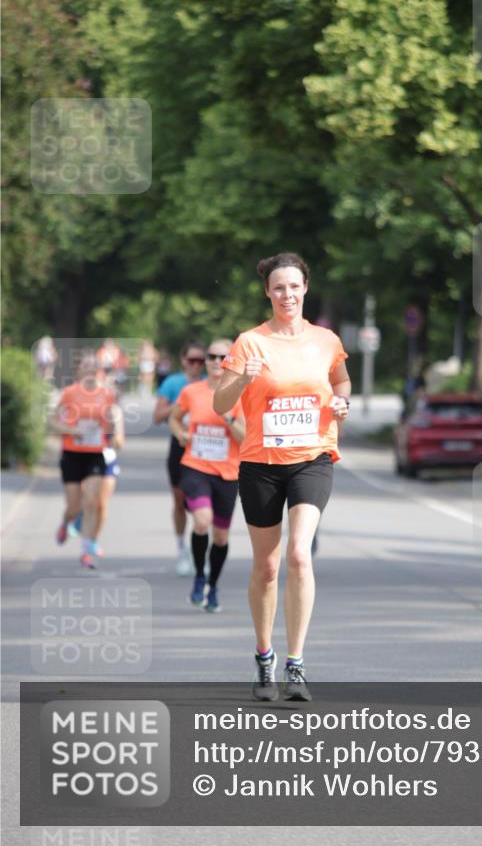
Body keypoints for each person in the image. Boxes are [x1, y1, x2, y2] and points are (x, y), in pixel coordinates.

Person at [214, 252, 351, 702]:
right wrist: (242, 379)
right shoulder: (250, 343)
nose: (286, 294)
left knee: (298, 553)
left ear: (305, 288)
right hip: (260, 464)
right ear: (267, 292)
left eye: (293, 286)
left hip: (312, 457)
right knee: (267, 567)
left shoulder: (326, 341)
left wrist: (341, 404)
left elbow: (342, 383)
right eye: (278, 288)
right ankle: (264, 656)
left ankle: (296, 665)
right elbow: (220, 404)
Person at [169, 339, 245, 612]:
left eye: (222, 357)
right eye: (211, 357)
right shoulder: (192, 392)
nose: (215, 361)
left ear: (231, 362)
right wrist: (181, 434)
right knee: (202, 522)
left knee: (221, 537)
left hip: (227, 473)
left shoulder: (240, 395)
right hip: (195, 466)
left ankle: (213, 584)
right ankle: (199, 576)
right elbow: (174, 418)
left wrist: (227, 417)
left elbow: (245, 437)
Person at [53, 353, 124, 568]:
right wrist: (69, 430)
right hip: (72, 453)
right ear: (78, 371)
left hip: (95, 452)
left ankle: (86, 549)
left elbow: (111, 428)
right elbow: (53, 421)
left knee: (93, 500)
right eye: (86, 366)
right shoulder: (68, 393)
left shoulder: (107, 395)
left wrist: (112, 425)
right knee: (74, 507)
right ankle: (66, 522)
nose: (91, 370)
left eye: (94, 367)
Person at [153, 341, 207, 574]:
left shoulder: (210, 383)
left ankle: (199, 553)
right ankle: (181, 547)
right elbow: (157, 416)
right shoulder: (173, 383)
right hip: (179, 445)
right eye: (192, 360)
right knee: (179, 500)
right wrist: (180, 404)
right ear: (183, 361)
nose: (196, 365)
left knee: (202, 504)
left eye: (200, 361)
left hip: (205, 447)